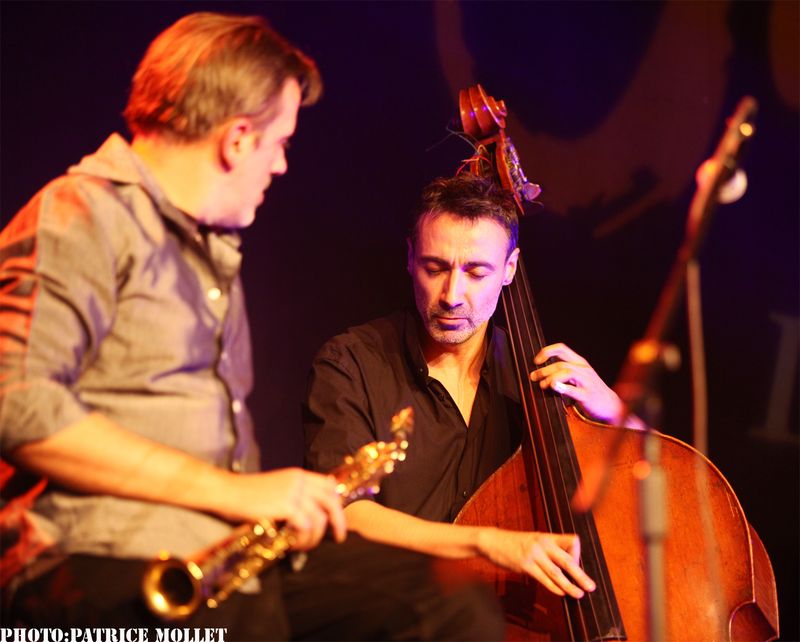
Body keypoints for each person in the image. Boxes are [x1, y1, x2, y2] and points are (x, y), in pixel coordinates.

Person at [0, 13, 506, 640]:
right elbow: (17, 407)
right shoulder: (81, 214)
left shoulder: (207, 250)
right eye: (279, 143)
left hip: (219, 558)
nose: (281, 165)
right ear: (238, 139)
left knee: (452, 605)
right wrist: (239, 494)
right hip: (99, 559)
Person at [304, 171, 646, 600]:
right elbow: (343, 510)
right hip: (384, 611)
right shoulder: (350, 363)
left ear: (509, 269)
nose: (452, 295)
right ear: (409, 258)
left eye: (476, 272)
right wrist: (485, 542)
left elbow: (657, 490)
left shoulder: (537, 377)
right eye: (435, 268)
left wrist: (616, 414)